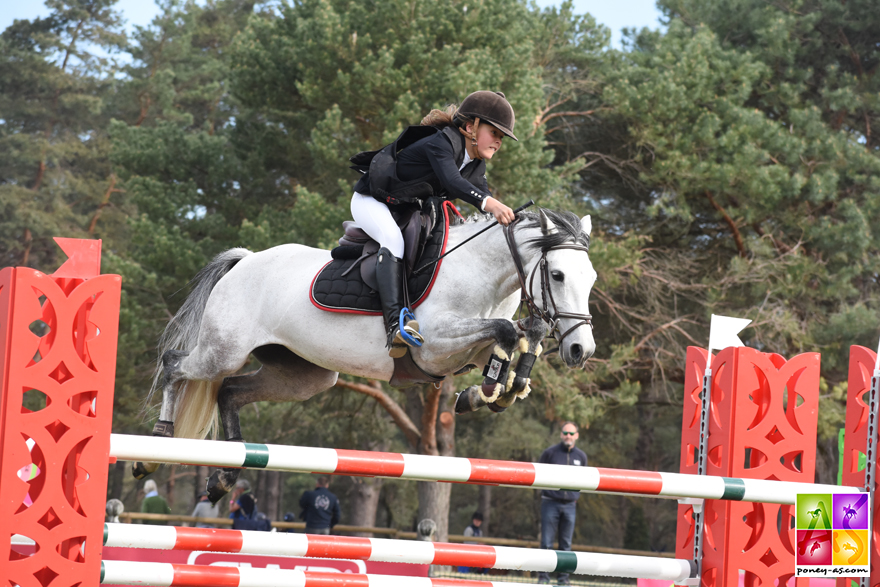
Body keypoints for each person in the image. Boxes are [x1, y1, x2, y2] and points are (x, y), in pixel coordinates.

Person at [349, 90, 517, 357]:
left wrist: (510, 226)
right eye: (495, 132)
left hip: (408, 209)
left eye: (502, 137)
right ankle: (395, 325)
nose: (499, 141)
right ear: (470, 126)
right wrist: (491, 204)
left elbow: (481, 198)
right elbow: (454, 183)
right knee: (392, 240)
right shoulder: (441, 143)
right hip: (373, 201)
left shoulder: (476, 165)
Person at [537, 422, 588, 585]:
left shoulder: (581, 456)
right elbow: (538, 474)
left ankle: (563, 580)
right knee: (546, 543)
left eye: (571, 433)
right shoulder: (549, 453)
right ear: (561, 434)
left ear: (577, 436)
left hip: (570, 505)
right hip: (550, 503)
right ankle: (543, 579)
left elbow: (584, 480)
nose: (568, 436)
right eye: (565, 433)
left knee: (566, 546)